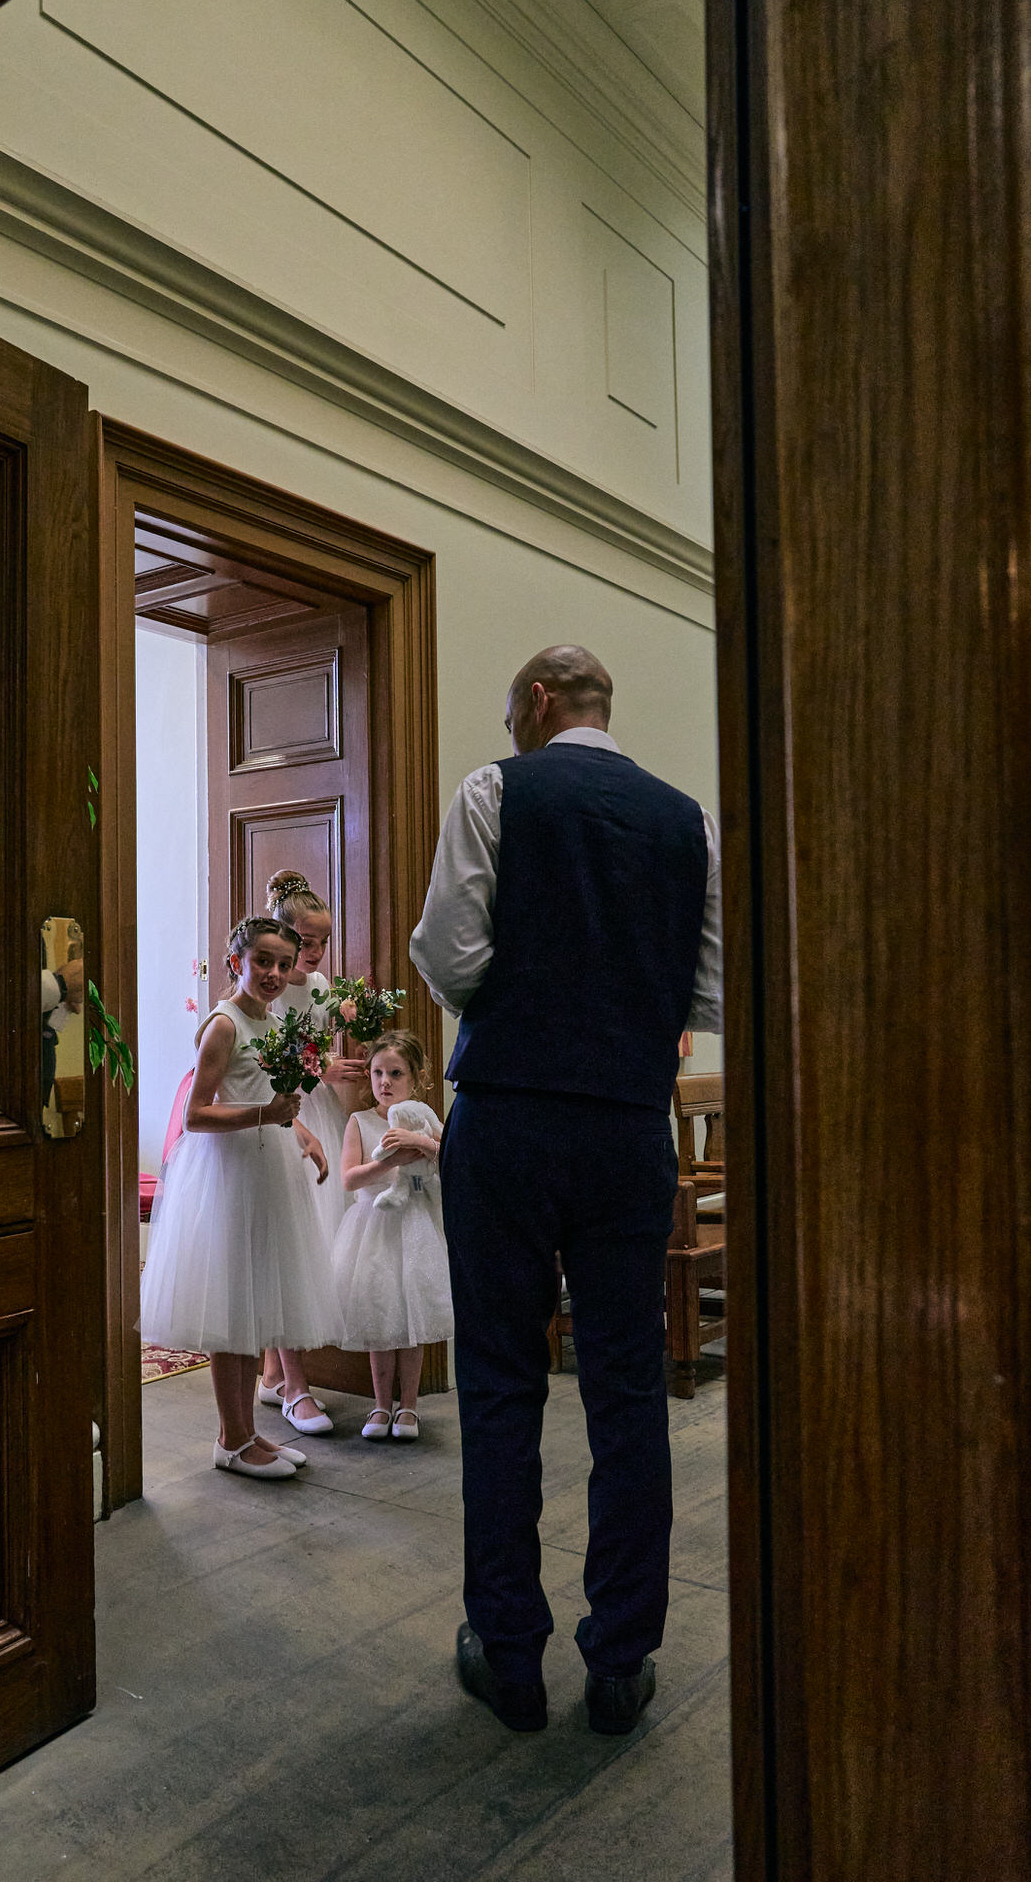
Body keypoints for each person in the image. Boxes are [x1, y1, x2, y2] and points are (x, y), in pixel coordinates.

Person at [411, 644, 722, 1735]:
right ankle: (620, 1659)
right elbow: (714, 983)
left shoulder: (498, 788)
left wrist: (536, 997)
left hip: (507, 1114)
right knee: (628, 1385)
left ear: (538, 702)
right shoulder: (689, 819)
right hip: (629, 1125)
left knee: (501, 1381)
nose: (508, 732)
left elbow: (446, 951)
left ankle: (508, 1654)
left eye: (511, 714)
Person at [138, 917, 340, 1480]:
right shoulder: (224, 1026)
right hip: (228, 1177)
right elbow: (194, 1114)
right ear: (237, 963)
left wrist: (303, 1135)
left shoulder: (272, 1022)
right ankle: (230, 1440)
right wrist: (266, 1117)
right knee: (233, 1308)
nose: (274, 973)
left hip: (268, 1170)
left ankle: (249, 1433)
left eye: (282, 963)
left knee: (252, 1308)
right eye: (262, 962)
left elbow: (274, 1100)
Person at [256, 871, 368, 1437]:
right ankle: (296, 1386)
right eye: (308, 941)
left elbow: (327, 1047)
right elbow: (263, 1061)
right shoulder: (269, 988)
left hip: (320, 1111)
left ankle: (275, 1373)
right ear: (284, 935)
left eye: (324, 941)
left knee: (322, 1241)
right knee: (291, 1244)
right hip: (284, 1113)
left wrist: (349, 1036)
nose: (317, 952)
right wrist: (315, 1066)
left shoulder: (322, 984)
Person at [336, 1030, 453, 1440]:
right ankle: (381, 1405)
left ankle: (410, 1407)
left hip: (417, 1224)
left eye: (396, 1073)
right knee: (380, 1316)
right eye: (377, 1073)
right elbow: (349, 1179)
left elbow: (451, 1156)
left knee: (412, 1317)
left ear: (416, 1077)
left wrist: (420, 1143)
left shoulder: (425, 1118)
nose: (384, 1082)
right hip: (375, 1229)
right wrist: (391, 1162)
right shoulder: (360, 1122)